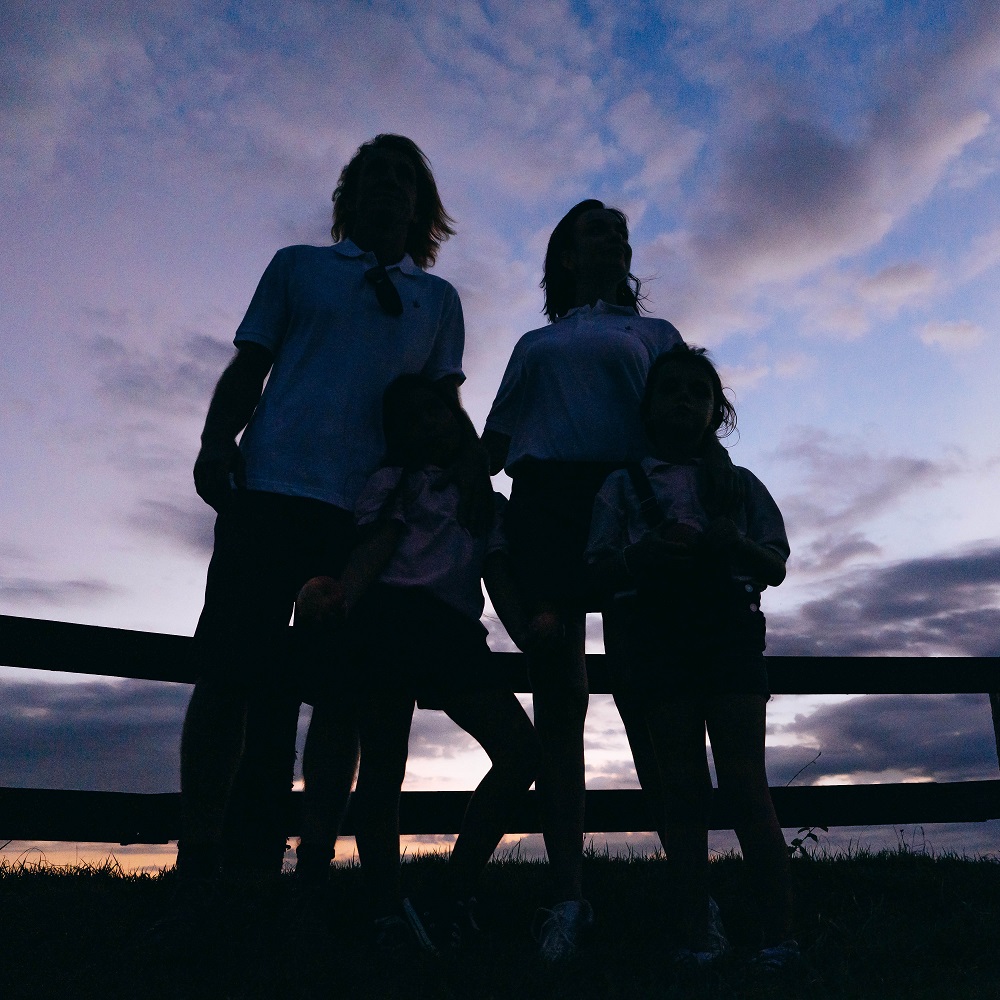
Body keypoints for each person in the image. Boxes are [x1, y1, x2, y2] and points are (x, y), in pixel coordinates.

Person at [178, 134, 470, 884]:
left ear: (422, 204)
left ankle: (308, 863)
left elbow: (442, 408)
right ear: (348, 193)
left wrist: (471, 487)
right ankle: (204, 858)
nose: (388, 186)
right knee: (228, 676)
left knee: (339, 697)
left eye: (404, 176)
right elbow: (252, 362)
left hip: (365, 523)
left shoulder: (437, 301)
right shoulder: (297, 266)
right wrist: (217, 440)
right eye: (373, 174)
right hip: (268, 494)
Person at [482, 199, 686, 960]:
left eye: (621, 230)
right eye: (595, 227)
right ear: (565, 252)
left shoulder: (656, 335)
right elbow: (495, 441)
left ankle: (692, 893)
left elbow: (684, 419)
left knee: (648, 699)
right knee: (559, 703)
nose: (613, 235)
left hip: (630, 503)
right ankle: (567, 899)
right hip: (548, 508)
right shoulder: (536, 342)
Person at [297, 374, 538, 953]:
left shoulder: (485, 500)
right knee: (384, 766)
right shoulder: (391, 482)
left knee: (519, 751)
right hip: (387, 623)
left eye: (436, 411)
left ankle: (454, 887)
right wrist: (343, 598)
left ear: (457, 419)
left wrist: (531, 637)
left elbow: (498, 575)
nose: (426, 423)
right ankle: (384, 904)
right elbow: (376, 546)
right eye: (410, 417)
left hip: (452, 633)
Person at [585, 344, 797, 969]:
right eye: (670, 389)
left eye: (697, 393)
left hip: (729, 636)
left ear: (716, 412)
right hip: (657, 643)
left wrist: (735, 545)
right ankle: (696, 937)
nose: (683, 400)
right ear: (647, 408)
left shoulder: (741, 486)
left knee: (745, 783)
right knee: (680, 788)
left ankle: (780, 936)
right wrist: (639, 558)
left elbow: (777, 564)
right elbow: (596, 569)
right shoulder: (621, 488)